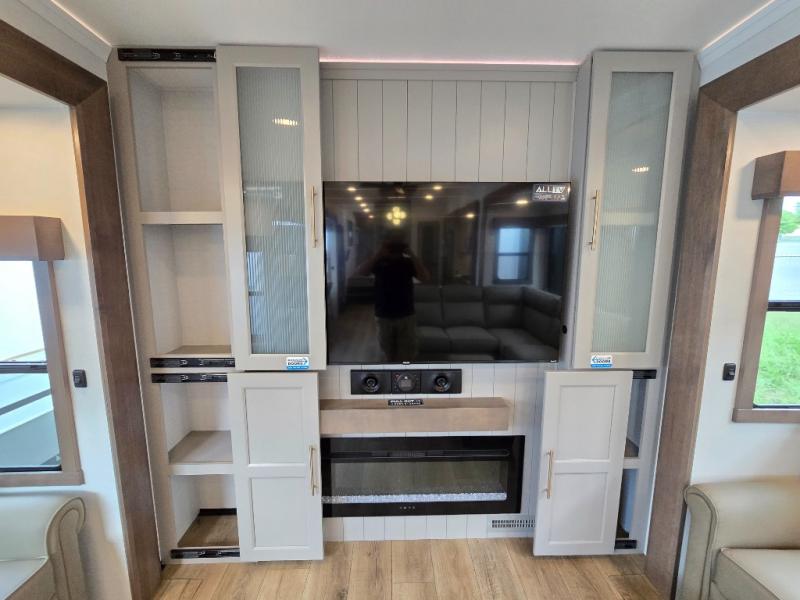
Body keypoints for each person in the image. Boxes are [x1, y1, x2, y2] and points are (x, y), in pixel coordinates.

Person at [356, 232, 431, 362]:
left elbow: (425, 278)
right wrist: (378, 254)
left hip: (406, 314)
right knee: (387, 354)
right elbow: (361, 272)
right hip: (384, 314)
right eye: (392, 244)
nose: (395, 248)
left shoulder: (408, 262)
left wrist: (412, 255)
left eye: (398, 244)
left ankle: (402, 372)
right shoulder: (379, 262)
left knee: (406, 355)